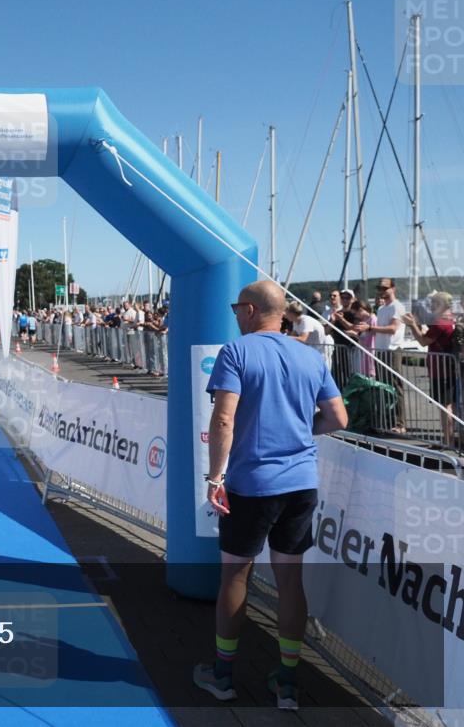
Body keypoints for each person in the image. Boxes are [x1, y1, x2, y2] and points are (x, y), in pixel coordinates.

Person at [193, 280, 347, 711]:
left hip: (251, 486)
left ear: (249, 310)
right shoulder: (308, 356)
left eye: (236, 308)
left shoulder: (237, 352)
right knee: (290, 582)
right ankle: (288, 682)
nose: (235, 315)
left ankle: (223, 674)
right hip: (300, 484)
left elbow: (223, 420)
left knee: (235, 577)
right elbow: (338, 417)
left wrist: (214, 476)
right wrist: (301, 432)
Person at [403, 292, 457, 447]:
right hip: (448, 368)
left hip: (441, 369)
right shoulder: (450, 318)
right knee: (449, 405)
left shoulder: (440, 323)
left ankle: (448, 441)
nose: (431, 306)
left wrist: (412, 324)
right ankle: (449, 439)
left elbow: (422, 341)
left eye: (434, 303)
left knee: (444, 406)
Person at [360, 279, 406, 433]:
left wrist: (371, 327)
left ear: (393, 288)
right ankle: (388, 420)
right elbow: (379, 329)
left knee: (394, 385)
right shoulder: (381, 308)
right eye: (380, 288)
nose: (382, 290)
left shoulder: (397, 307)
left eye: (385, 288)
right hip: (380, 350)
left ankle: (400, 423)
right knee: (384, 387)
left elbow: (393, 328)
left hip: (391, 350)